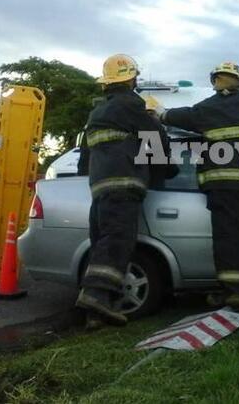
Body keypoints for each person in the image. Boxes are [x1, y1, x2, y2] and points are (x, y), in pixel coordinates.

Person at [161, 61, 239, 307]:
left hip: (223, 187)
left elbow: (181, 116)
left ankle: (233, 292)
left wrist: (160, 114)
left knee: (228, 239)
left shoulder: (207, 109)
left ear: (218, 81)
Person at [76, 54, 169, 328]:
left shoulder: (97, 113)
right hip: (124, 185)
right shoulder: (132, 105)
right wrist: (166, 173)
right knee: (117, 243)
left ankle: (97, 312)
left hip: (99, 189)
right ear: (131, 80)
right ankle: (94, 295)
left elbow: (84, 157)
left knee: (102, 243)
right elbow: (156, 142)